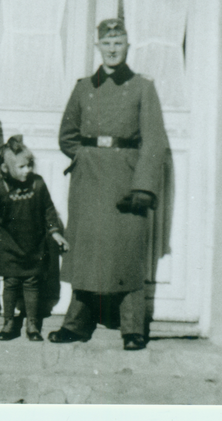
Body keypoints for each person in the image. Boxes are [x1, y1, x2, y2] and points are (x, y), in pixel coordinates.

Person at [49, 18, 169, 351]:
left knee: (125, 254)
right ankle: (76, 324)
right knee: (86, 253)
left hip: (126, 181)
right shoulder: (83, 86)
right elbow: (67, 135)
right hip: (88, 182)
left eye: (119, 42)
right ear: (97, 46)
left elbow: (154, 140)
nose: (113, 49)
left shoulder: (143, 87)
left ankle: (133, 329)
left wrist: (143, 186)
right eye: (107, 43)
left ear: (128, 45)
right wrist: (85, 159)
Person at [0, 135, 69, 341]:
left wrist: (56, 232)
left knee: (32, 283)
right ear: (6, 169)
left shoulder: (37, 184)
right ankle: (8, 323)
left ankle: (32, 324)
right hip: (9, 246)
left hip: (34, 246)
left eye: (29, 165)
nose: (28, 170)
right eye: (22, 167)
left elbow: (48, 210)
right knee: (11, 283)